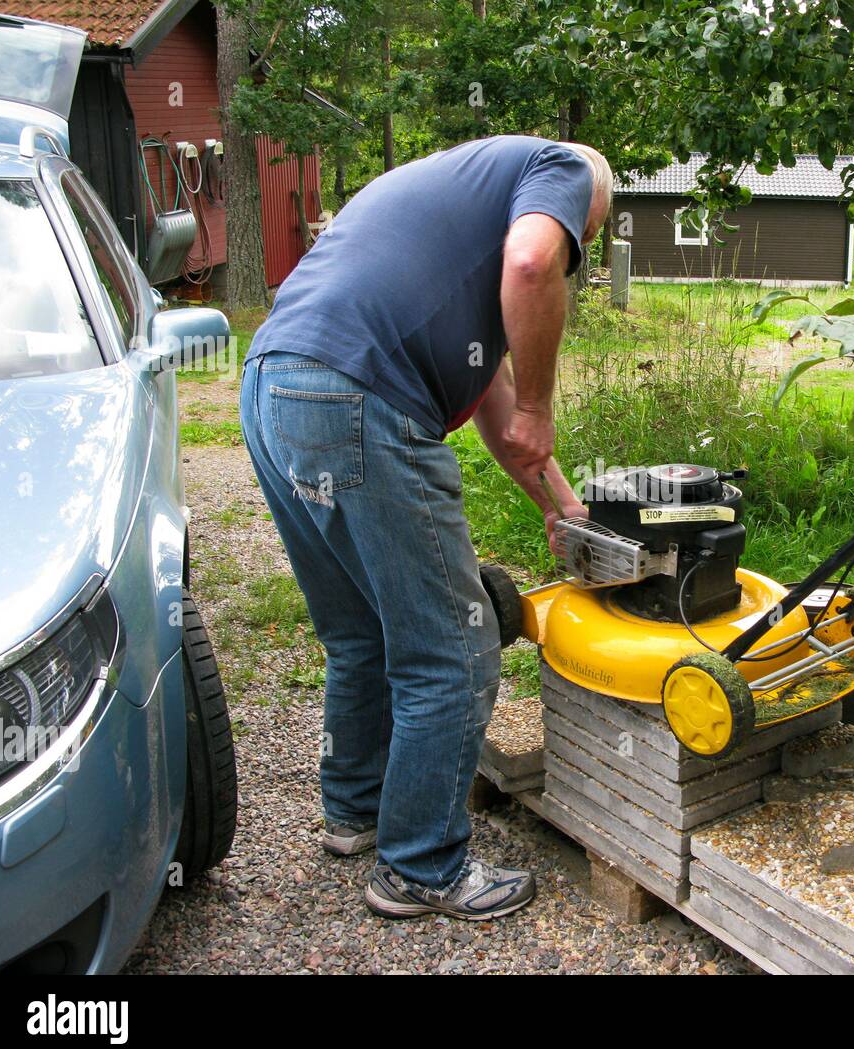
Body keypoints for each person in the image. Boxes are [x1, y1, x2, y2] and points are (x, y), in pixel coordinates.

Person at [238, 136, 612, 920]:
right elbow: (535, 266)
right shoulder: (567, 169)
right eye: (586, 237)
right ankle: (421, 867)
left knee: (360, 632)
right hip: (358, 398)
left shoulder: (448, 200)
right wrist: (546, 405)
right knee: (452, 644)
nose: (579, 252)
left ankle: (357, 811)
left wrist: (561, 508)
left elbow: (492, 399)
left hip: (276, 383)